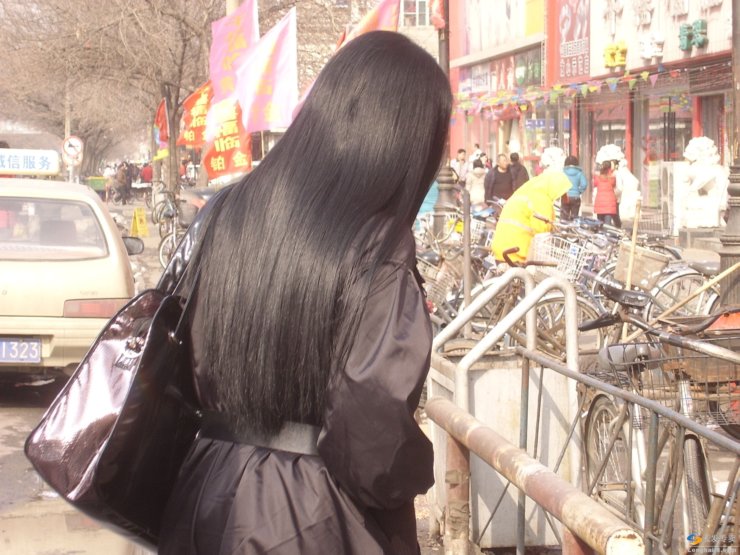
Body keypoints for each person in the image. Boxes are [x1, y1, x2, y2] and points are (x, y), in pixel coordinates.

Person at [157, 31, 452, 555]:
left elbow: (171, 351)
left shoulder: (223, 213)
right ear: (405, 143)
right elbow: (373, 429)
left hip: (205, 493)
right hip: (316, 517)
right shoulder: (378, 245)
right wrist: (413, 476)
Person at [491, 170, 572, 264]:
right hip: (517, 253)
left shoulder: (524, 191)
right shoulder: (541, 199)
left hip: (501, 249)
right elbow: (542, 232)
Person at [593, 160, 619, 227]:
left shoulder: (598, 178)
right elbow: (614, 185)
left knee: (600, 224)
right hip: (609, 204)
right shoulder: (612, 178)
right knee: (608, 225)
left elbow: (594, 184)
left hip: (599, 203)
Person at [561, 155, 588, 220]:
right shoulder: (579, 173)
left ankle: (565, 225)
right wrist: (579, 191)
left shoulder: (563, 172)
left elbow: (559, 183)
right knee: (574, 218)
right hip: (576, 196)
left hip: (565, 196)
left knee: (564, 218)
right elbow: (584, 184)